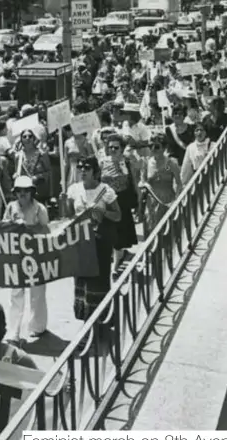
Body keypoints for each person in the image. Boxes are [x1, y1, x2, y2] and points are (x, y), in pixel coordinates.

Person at [67, 156, 122, 328]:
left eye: (87, 168)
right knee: (82, 281)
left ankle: (101, 320)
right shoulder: (73, 190)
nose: (82, 170)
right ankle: (86, 321)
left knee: (98, 281)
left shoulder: (106, 191)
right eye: (80, 167)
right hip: (80, 243)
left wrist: (101, 212)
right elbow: (69, 216)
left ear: (95, 172)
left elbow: (118, 216)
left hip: (100, 243)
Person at [2, 175, 48, 344]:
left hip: (36, 254)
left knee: (37, 292)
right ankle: (13, 331)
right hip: (17, 254)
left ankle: (37, 326)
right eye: (19, 191)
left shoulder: (39, 208)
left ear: (31, 192)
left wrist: (28, 227)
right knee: (16, 293)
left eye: (26, 191)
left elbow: (46, 230)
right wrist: (13, 224)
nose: (22, 194)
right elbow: (3, 227)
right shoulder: (11, 207)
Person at [99, 134, 140, 265]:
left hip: (122, 202)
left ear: (122, 148)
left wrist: (139, 203)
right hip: (106, 203)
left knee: (120, 237)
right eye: (110, 147)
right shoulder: (102, 162)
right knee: (108, 235)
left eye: (116, 147)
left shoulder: (127, 161)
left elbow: (134, 182)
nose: (112, 150)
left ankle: (117, 264)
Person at [140, 135, 182, 235]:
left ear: (164, 148)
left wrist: (176, 200)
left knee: (168, 232)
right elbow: (143, 182)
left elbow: (179, 183)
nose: (153, 149)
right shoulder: (146, 162)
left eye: (157, 146)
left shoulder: (171, 163)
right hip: (152, 202)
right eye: (151, 146)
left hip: (167, 200)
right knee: (152, 231)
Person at [15, 129, 53, 202]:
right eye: (24, 136)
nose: (27, 138)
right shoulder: (18, 156)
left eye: (30, 136)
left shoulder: (42, 154)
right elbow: (17, 172)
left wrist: (38, 177)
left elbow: (49, 172)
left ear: (34, 138)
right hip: (25, 191)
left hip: (40, 190)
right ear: (21, 139)